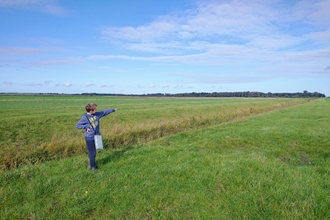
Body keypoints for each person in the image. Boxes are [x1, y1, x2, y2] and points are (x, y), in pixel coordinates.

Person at [76, 102, 116, 171]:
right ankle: (93, 167)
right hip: (89, 137)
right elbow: (77, 125)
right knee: (92, 152)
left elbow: (104, 112)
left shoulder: (97, 114)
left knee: (93, 152)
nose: (96, 110)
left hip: (96, 136)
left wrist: (112, 110)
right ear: (91, 111)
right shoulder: (84, 117)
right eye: (95, 109)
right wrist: (86, 127)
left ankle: (91, 164)